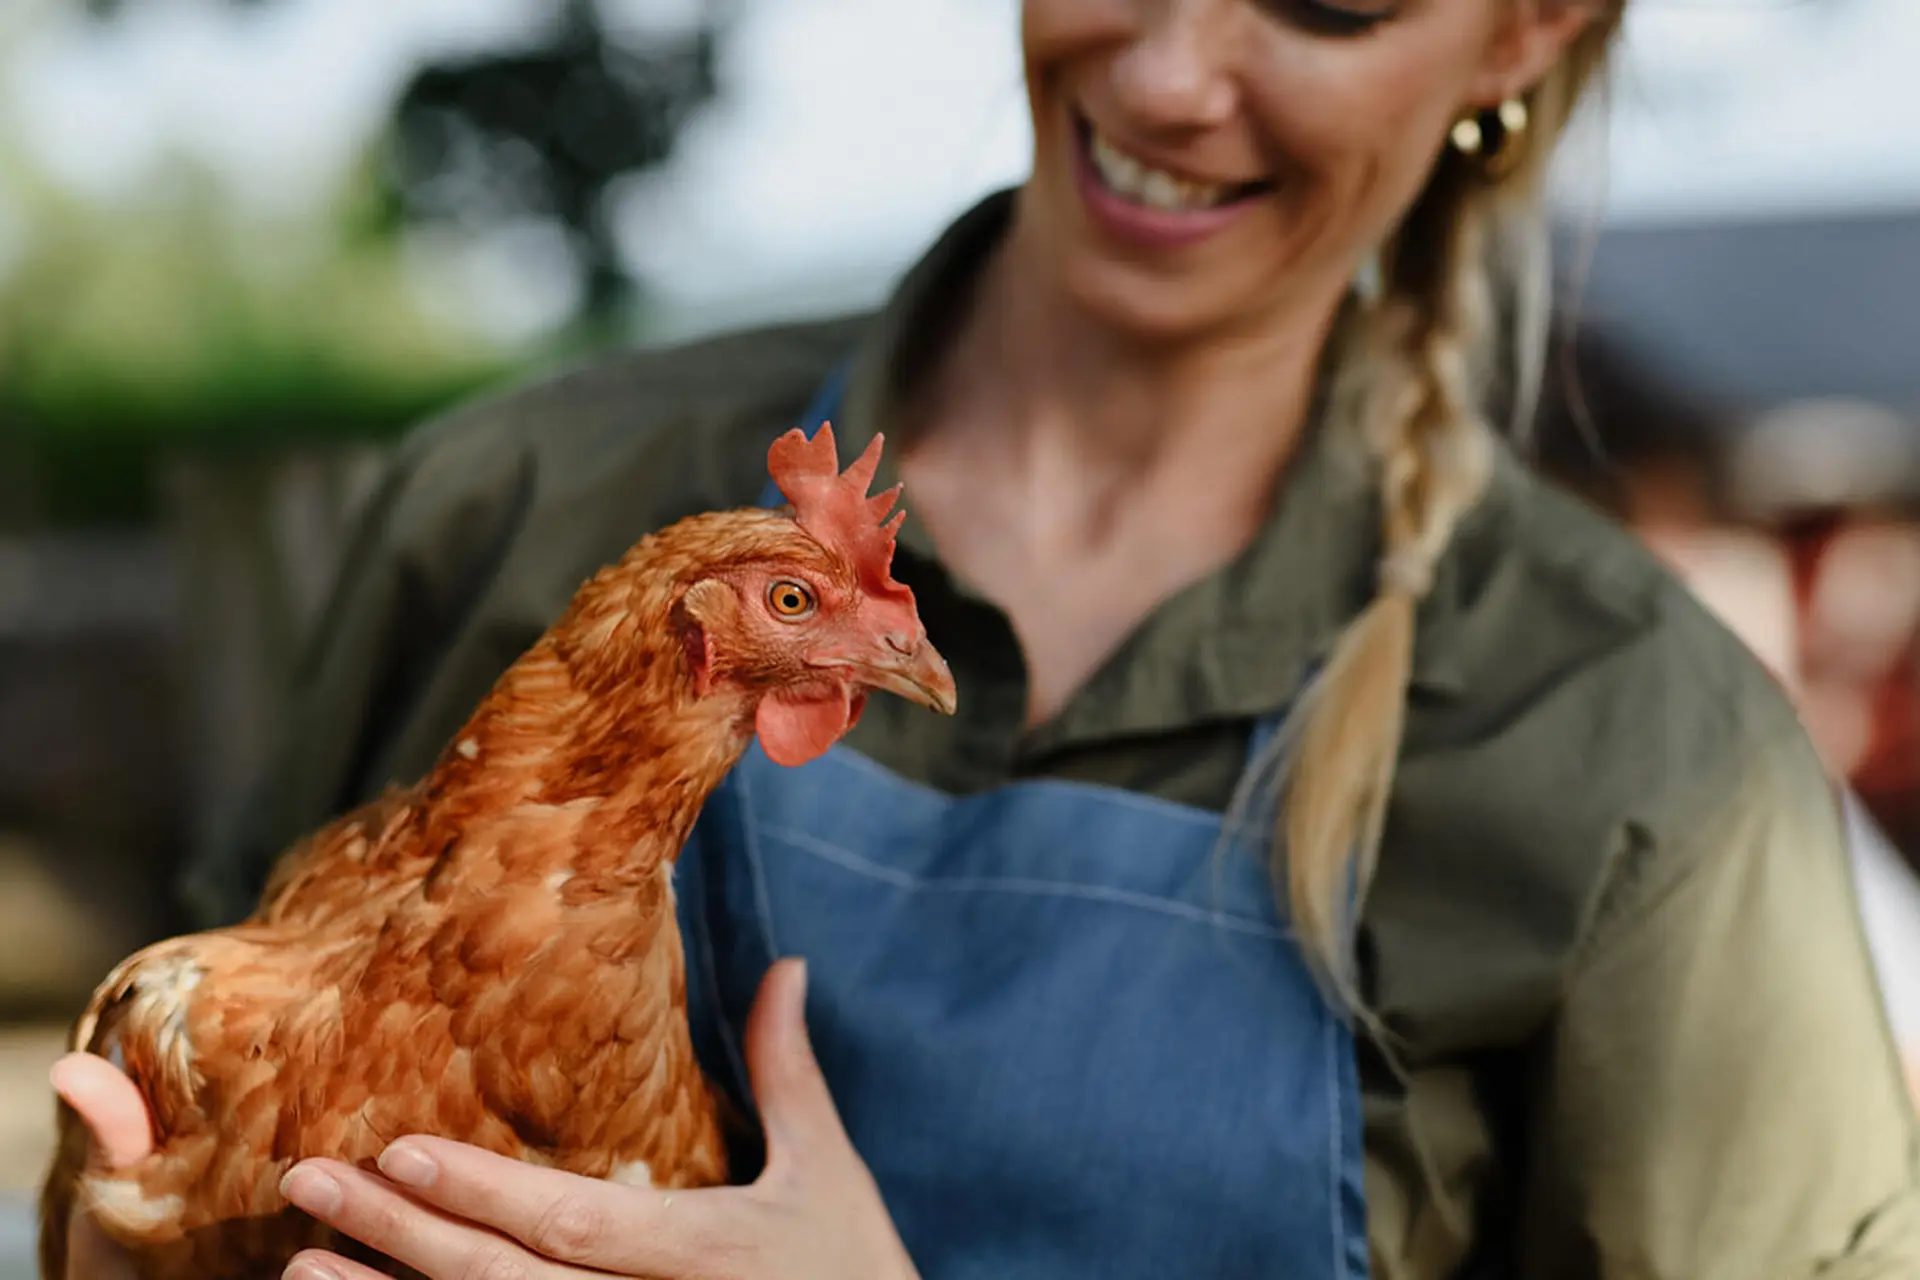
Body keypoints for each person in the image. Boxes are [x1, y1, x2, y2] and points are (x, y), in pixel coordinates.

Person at [53, 1, 1920, 1276]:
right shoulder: (511, 506)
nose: (1179, 74)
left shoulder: (1636, 755)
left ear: (1521, 29)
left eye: (1328, 2)